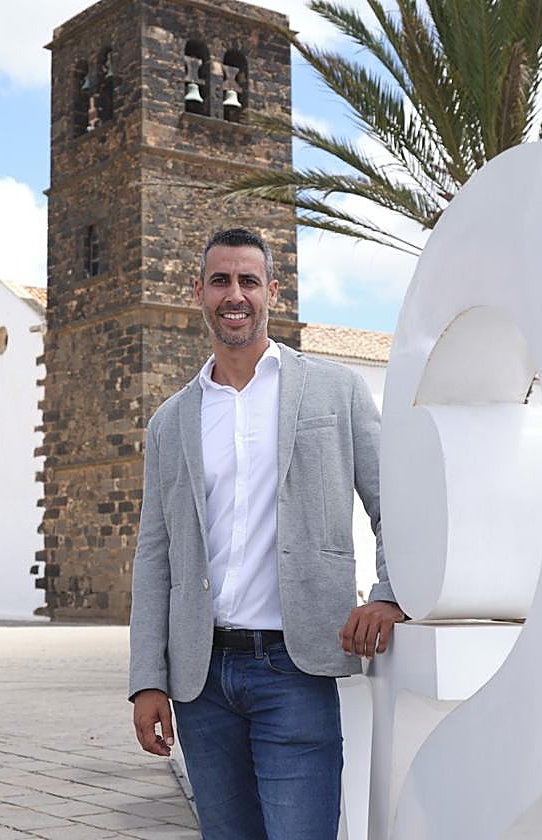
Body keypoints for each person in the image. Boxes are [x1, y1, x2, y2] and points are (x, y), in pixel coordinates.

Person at [128, 228, 404, 839]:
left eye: (248, 281)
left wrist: (390, 591)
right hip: (203, 682)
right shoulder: (171, 421)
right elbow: (155, 556)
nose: (235, 294)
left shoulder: (336, 390)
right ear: (197, 291)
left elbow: (394, 502)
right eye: (221, 280)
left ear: (271, 292)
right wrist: (147, 678)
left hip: (294, 670)